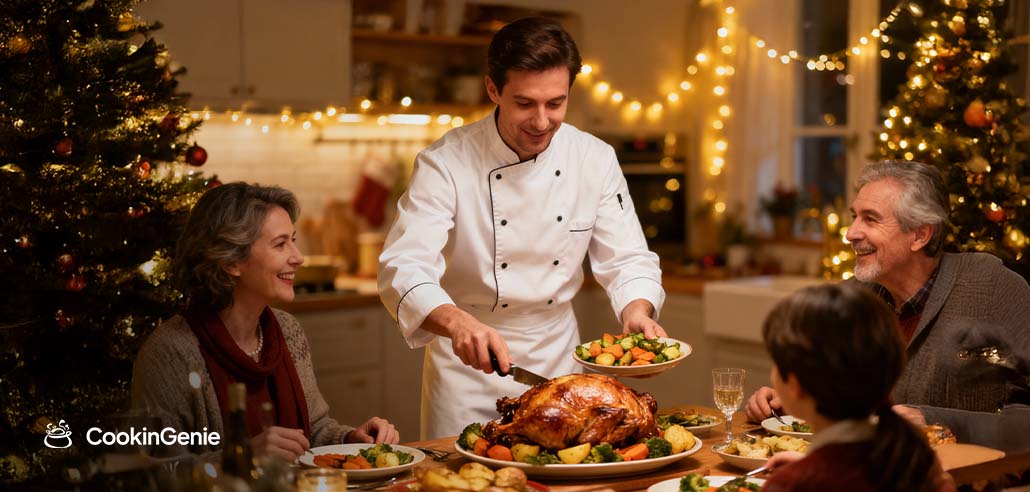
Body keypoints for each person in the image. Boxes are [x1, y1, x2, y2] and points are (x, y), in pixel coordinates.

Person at [378, 17, 666, 438]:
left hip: (560, 363)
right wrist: (458, 324)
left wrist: (636, 311)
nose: (542, 120)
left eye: (556, 103)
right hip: (467, 369)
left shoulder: (594, 158)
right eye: (525, 103)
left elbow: (627, 256)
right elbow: (403, 265)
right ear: (493, 90)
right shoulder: (446, 162)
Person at [745, 160, 1030, 452]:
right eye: (854, 216)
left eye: (870, 219)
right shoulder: (852, 300)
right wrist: (787, 401)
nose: (851, 233)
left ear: (920, 234)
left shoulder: (991, 287)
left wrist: (935, 421)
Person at [133, 183, 399, 460]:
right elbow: (155, 473)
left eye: (293, 240)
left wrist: (350, 439)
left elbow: (314, 431)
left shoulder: (288, 330)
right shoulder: (169, 353)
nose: (298, 257)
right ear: (231, 262)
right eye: (280, 244)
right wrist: (242, 457)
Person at [759, 283, 955, 492]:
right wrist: (809, 462)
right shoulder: (912, 453)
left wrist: (807, 470)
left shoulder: (792, 485)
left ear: (796, 385)